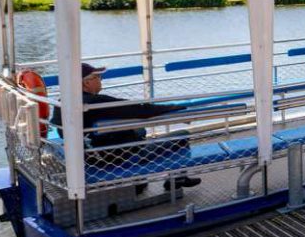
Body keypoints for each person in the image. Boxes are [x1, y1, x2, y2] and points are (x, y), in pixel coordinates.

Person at [51, 63, 201, 190]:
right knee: (182, 135)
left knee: (140, 130)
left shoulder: (63, 101)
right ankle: (176, 179)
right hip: (116, 159)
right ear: (86, 82)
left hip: (88, 155)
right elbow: (138, 109)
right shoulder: (96, 103)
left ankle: (139, 181)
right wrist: (173, 108)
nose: (101, 81)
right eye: (98, 77)